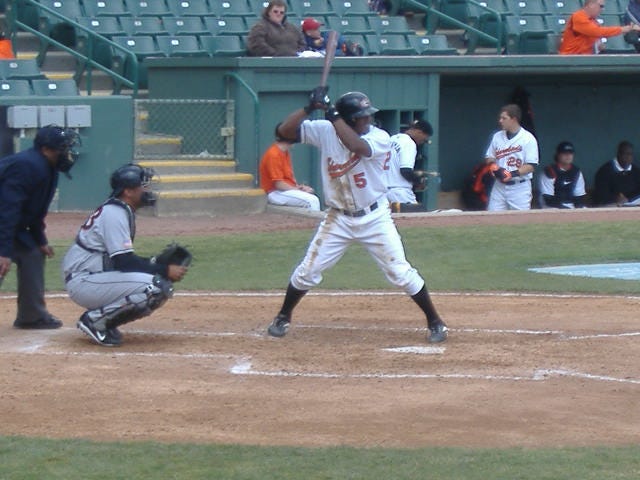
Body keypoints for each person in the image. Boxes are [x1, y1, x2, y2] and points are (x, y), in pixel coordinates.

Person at [266, 88, 448, 344]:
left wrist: (331, 113)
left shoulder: (379, 137)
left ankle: (435, 322)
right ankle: (283, 316)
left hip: (374, 217)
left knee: (399, 271)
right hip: (338, 218)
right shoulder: (326, 129)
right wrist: (309, 108)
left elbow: (357, 146)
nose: (368, 120)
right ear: (350, 118)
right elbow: (284, 132)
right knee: (308, 270)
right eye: (362, 116)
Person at [62, 164, 188, 347]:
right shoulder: (114, 214)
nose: (148, 190)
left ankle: (105, 320)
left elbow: (123, 260)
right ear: (128, 191)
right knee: (155, 286)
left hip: (95, 277)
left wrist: (155, 263)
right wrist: (164, 269)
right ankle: (95, 321)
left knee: (158, 281)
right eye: (144, 186)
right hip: (85, 281)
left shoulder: (120, 210)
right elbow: (124, 262)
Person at [0, 125, 80, 329]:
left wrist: (40, 239)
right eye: (62, 148)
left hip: (10, 224)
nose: (67, 153)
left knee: (33, 252)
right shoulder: (27, 166)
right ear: (45, 149)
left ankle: (31, 316)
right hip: (3, 221)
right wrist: (4, 252)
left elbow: (34, 210)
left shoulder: (48, 167)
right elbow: (8, 210)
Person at [484, 104, 539, 211]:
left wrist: (511, 174)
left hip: (519, 187)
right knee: (492, 219)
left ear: (514, 119)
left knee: (520, 222)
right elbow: (489, 157)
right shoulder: (497, 136)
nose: (500, 121)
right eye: (500, 118)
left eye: (504, 118)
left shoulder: (528, 138)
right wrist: (494, 167)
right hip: (499, 186)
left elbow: (531, 165)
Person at [259, 135, 321, 211]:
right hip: (275, 193)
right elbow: (279, 184)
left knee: (311, 194)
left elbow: (288, 180)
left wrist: (299, 187)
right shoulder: (273, 154)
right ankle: (316, 223)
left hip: (284, 191)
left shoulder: (285, 152)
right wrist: (298, 190)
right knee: (312, 201)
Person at [386, 119, 433, 211]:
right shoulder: (409, 143)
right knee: (420, 215)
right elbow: (405, 171)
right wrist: (419, 181)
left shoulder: (392, 139)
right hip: (399, 192)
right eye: (424, 138)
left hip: (383, 192)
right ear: (419, 132)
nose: (422, 142)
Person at [558, 0, 638, 54]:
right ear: (591, 5)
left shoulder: (593, 21)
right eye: (601, 6)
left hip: (587, 56)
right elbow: (597, 32)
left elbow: (596, 39)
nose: (602, 9)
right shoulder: (578, 17)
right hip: (572, 57)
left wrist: (599, 45)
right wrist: (624, 29)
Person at [538, 141, 587, 209]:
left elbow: (579, 196)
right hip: (551, 206)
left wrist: (577, 208)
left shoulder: (576, 172)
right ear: (558, 155)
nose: (568, 156)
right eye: (564, 153)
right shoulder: (549, 171)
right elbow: (547, 198)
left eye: (570, 153)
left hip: (570, 206)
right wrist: (566, 209)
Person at [593, 141, 640, 206]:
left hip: (632, 204)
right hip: (612, 205)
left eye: (630, 154)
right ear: (618, 154)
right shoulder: (605, 171)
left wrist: (628, 199)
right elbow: (601, 195)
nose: (628, 157)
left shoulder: (636, 171)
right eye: (625, 154)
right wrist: (615, 198)